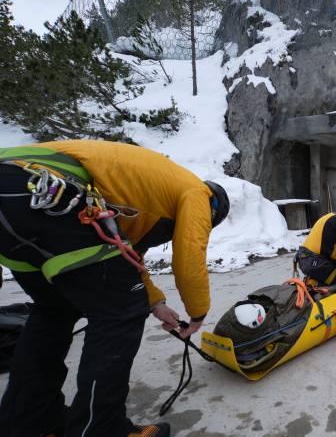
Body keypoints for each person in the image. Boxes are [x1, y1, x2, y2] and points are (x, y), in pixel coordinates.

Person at [0, 140, 230, 437]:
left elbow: (125, 260)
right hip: (46, 190)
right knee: (119, 314)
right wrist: (198, 313)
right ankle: (102, 430)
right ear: (214, 211)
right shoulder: (198, 193)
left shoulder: (153, 191)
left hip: (17, 188)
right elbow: (189, 257)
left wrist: (155, 303)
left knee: (54, 311)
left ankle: (30, 420)